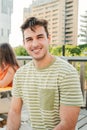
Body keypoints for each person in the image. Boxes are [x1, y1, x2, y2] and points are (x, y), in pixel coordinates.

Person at [6, 17, 83, 130]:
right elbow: (14, 112)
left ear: (49, 39)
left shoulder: (67, 73)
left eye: (40, 37)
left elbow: (67, 124)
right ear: (24, 43)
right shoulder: (20, 74)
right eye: (29, 39)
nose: (35, 44)